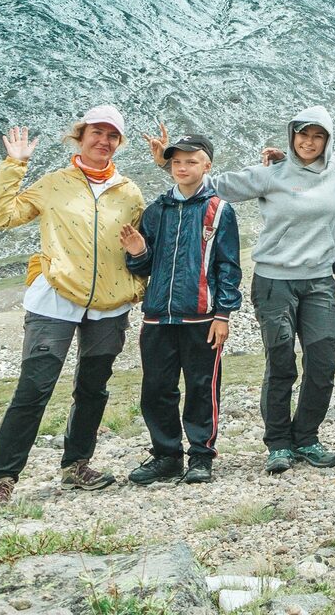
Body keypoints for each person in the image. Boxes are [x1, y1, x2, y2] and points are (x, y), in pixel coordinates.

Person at [147, 106, 335, 475]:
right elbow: (208, 183)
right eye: (302, 134)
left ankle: (306, 437)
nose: (309, 142)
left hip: (319, 281)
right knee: (281, 362)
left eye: (317, 135)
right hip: (274, 282)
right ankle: (278, 444)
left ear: (327, 139)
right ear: (291, 136)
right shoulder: (269, 174)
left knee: (323, 360)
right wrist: (169, 164)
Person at [0, 107, 147, 504]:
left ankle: (76, 466)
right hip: (53, 300)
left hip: (108, 305)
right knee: (34, 388)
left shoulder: (130, 192)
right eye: (96, 133)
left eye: (112, 135)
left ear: (118, 143)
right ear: (80, 136)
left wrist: (137, 276)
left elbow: (139, 246)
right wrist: (14, 165)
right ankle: (2, 477)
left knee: (93, 388)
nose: (103, 141)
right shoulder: (54, 183)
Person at [120, 134, 241, 485]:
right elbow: (142, 267)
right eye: (176, 162)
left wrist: (223, 314)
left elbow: (228, 266)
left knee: (203, 387)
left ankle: (201, 457)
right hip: (158, 316)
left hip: (202, 317)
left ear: (207, 165)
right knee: (157, 388)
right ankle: (166, 455)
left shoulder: (219, 210)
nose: (183, 168)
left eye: (191, 161)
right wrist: (138, 250)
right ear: (169, 166)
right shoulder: (156, 210)